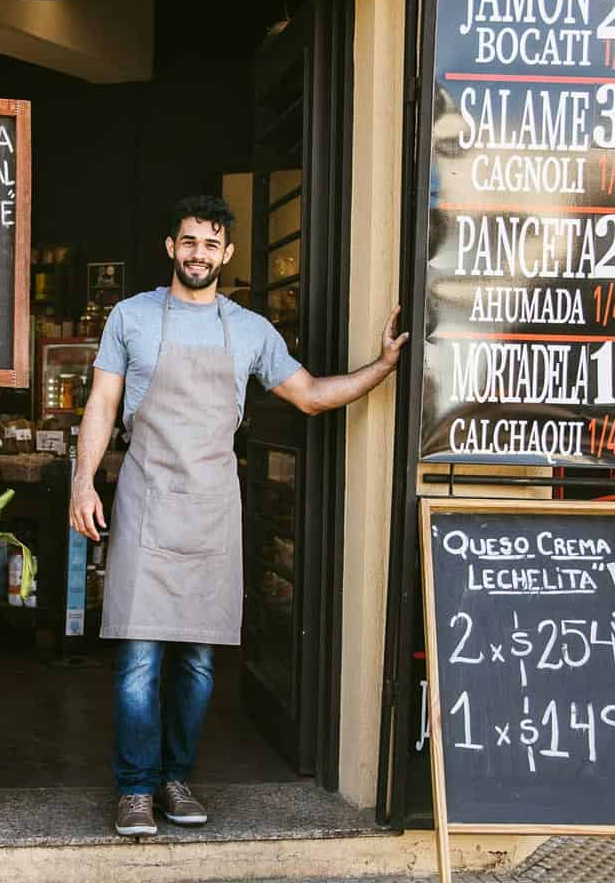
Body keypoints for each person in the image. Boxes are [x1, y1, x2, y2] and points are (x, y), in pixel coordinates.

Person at [68, 195, 408, 837]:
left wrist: (384, 367)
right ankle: (135, 788)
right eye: (188, 241)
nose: (198, 253)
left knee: (198, 663)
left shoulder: (250, 330)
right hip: (146, 502)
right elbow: (103, 404)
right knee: (139, 659)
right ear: (171, 247)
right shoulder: (130, 316)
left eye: (210, 244)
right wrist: (82, 482)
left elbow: (310, 396)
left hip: (213, 509)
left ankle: (175, 779)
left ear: (226, 253)